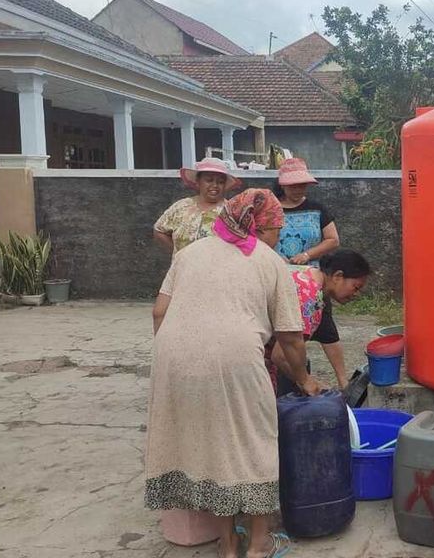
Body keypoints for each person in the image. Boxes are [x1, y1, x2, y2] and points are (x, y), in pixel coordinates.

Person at [147, 188, 321, 558]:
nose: (279, 235)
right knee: (255, 444)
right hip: (234, 357)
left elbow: (158, 312)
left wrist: (180, 354)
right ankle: (258, 546)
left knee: (214, 448)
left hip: (172, 357)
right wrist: (305, 380)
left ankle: (228, 546)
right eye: (277, 227)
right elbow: (290, 337)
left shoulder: (188, 253)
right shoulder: (269, 261)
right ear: (260, 227)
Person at [271, 157, 349, 389]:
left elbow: (333, 240)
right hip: (279, 281)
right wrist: (275, 258)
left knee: (325, 327)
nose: (298, 189)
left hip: (313, 282)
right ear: (282, 185)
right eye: (293, 185)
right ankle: (296, 376)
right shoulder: (270, 209)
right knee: (286, 331)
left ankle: (343, 381)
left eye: (302, 185)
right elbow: (257, 240)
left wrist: (307, 255)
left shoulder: (317, 209)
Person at [268, 249, 370, 395]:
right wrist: (307, 382)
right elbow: (281, 355)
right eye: (356, 287)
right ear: (338, 276)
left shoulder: (308, 274)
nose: (357, 294)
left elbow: (328, 337)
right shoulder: (309, 297)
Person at [153, 157, 242, 255]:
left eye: (220, 182)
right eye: (209, 180)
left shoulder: (232, 212)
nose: (215, 185)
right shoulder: (181, 207)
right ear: (198, 182)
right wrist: (179, 253)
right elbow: (159, 230)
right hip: (184, 269)